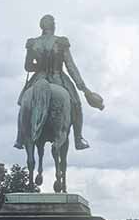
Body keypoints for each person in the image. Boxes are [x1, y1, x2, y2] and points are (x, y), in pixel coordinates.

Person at [15, 14, 104, 151]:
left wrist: (39, 66)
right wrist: (84, 88)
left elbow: (27, 67)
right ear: (53, 26)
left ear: (42, 26)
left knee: (23, 106)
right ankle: (78, 139)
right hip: (58, 78)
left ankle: (20, 138)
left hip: (39, 78)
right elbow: (70, 66)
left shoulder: (33, 43)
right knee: (76, 105)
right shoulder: (61, 42)